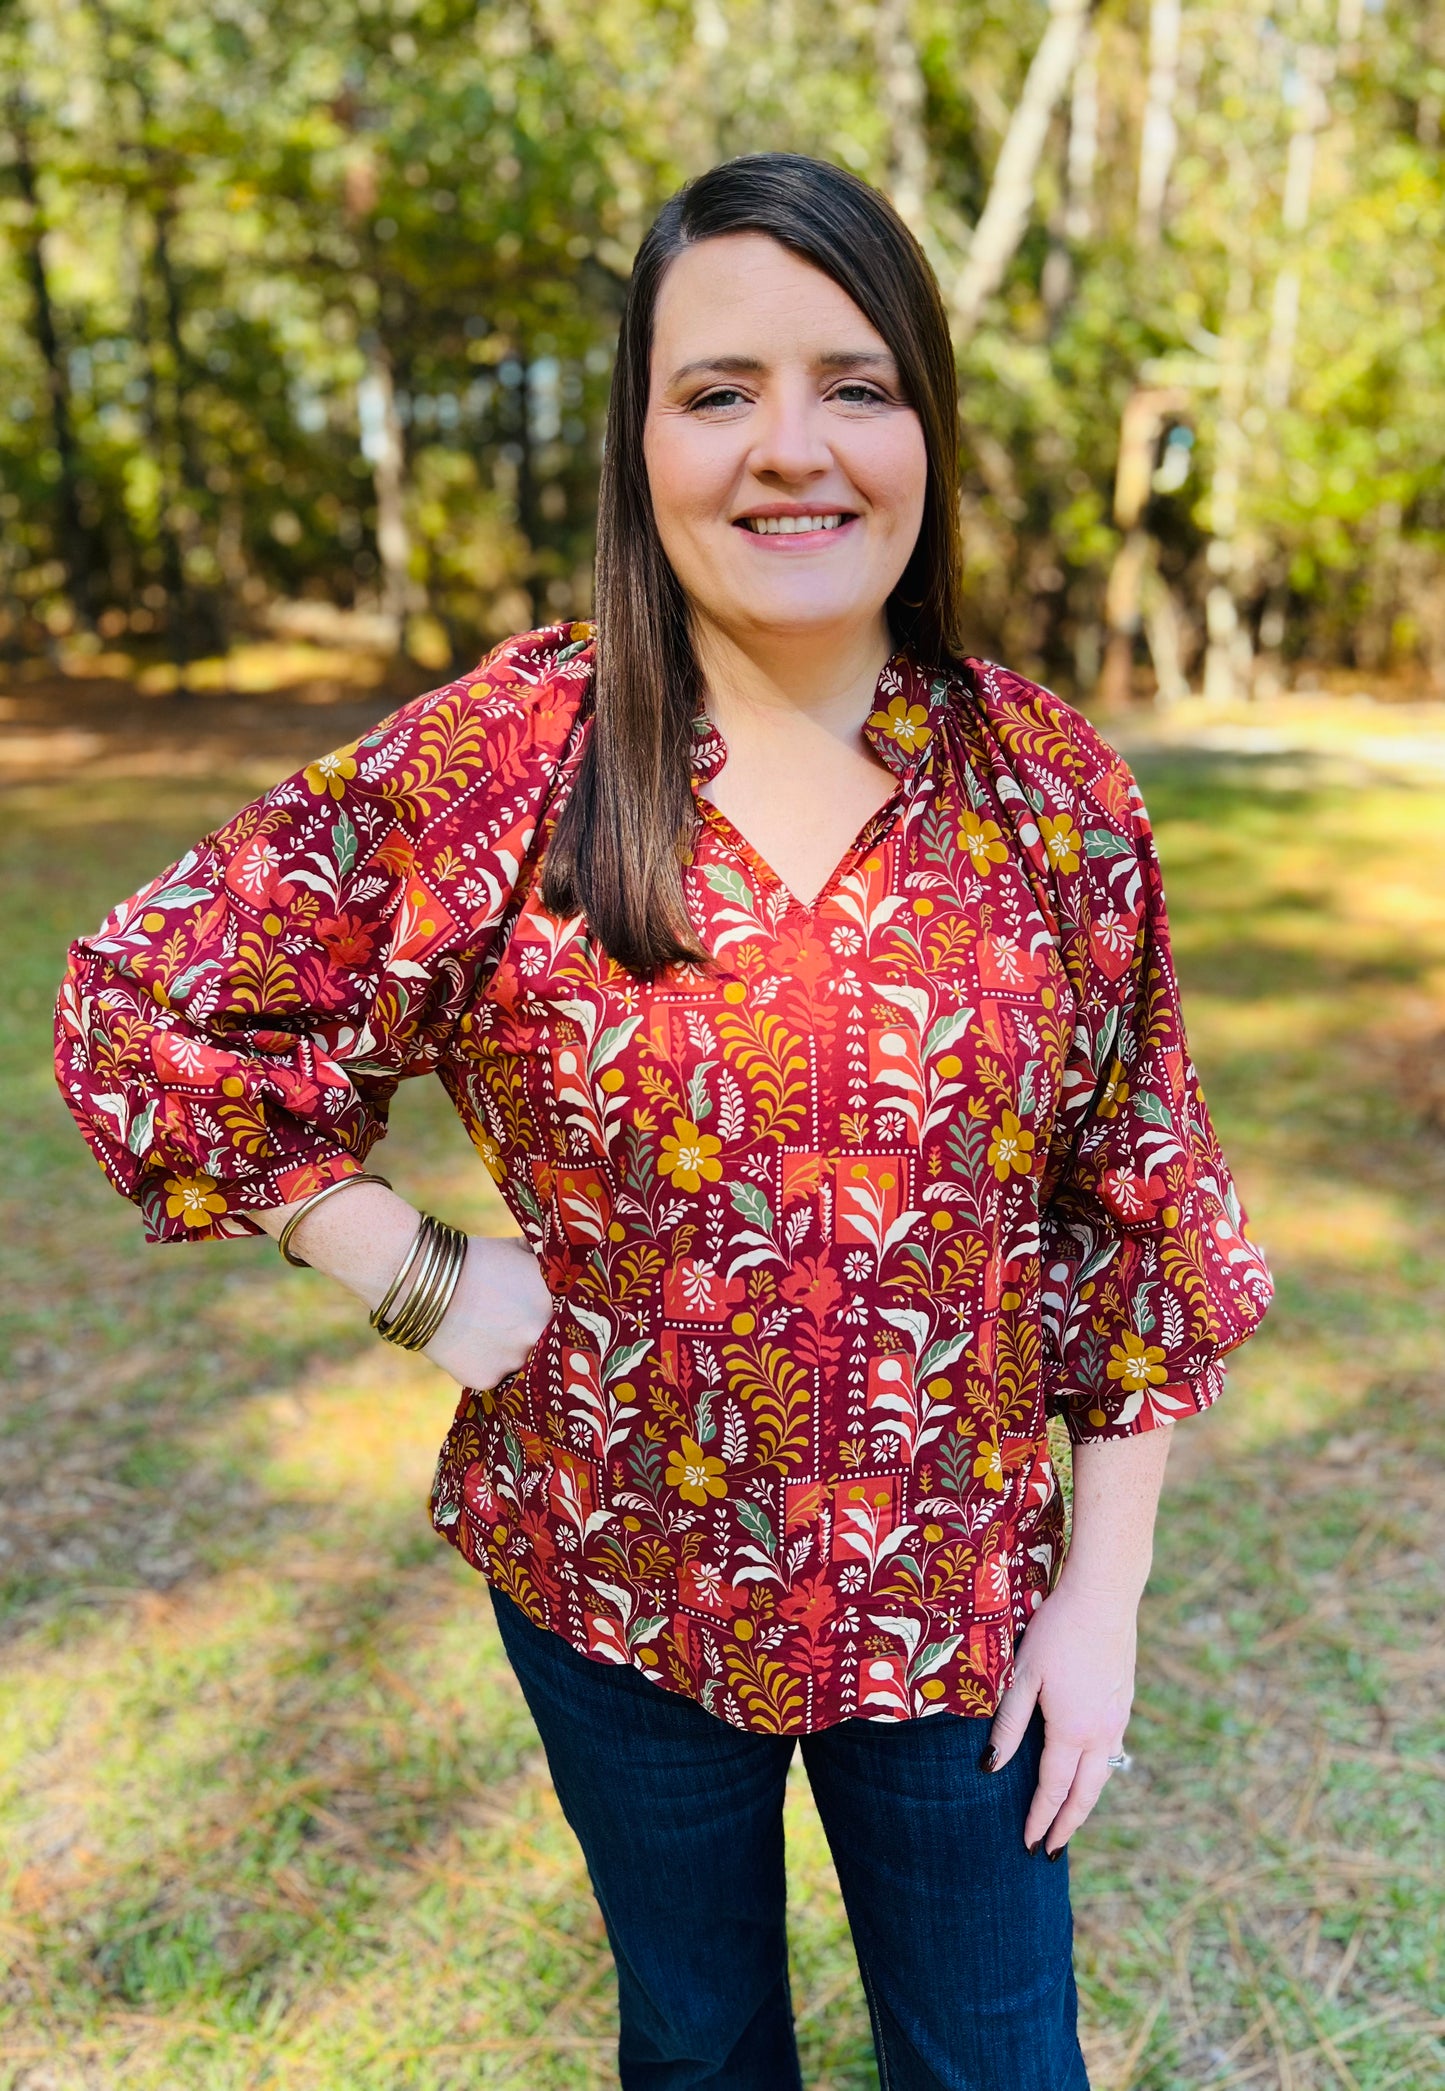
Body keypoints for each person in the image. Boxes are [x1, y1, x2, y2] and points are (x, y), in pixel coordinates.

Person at [55, 154, 1272, 2091]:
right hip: (610, 1572)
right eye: (721, 391)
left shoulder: (1044, 786)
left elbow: (1140, 1206)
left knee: (997, 2059)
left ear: (928, 428)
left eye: (856, 383)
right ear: (641, 438)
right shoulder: (506, 760)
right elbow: (159, 997)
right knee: (698, 2047)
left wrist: (1101, 1599)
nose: (793, 448)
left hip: (960, 1596)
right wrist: (415, 1272)